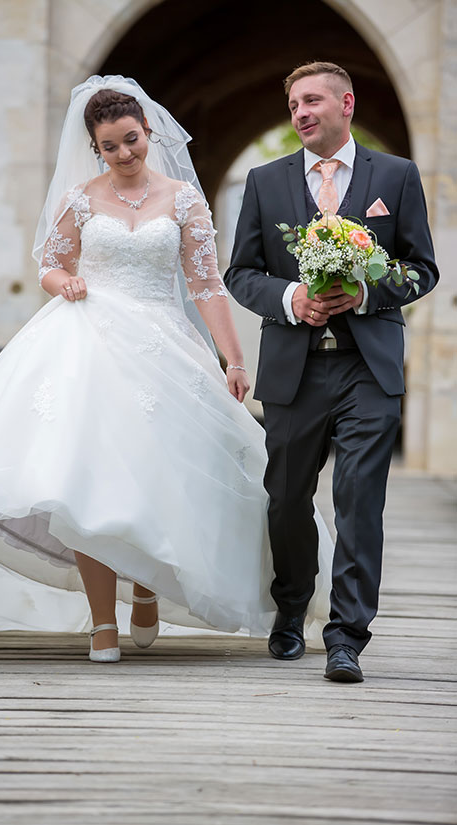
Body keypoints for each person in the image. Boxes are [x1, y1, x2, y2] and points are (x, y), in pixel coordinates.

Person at [0, 75, 335, 661]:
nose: (124, 153)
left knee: (158, 471)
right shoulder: (81, 199)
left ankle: (146, 585)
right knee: (87, 479)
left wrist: (233, 359)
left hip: (162, 346)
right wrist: (69, 282)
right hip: (90, 346)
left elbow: (206, 284)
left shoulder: (183, 200)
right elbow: (49, 267)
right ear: (96, 148)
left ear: (148, 132)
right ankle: (101, 622)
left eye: (131, 140)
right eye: (110, 146)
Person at [225, 61, 439, 683]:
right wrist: (293, 299)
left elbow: (422, 269)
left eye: (312, 100)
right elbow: (242, 273)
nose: (301, 112)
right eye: (294, 104)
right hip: (294, 370)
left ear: (347, 103)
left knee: (359, 501)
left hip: (368, 370)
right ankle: (291, 611)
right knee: (287, 500)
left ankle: (346, 636)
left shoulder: (394, 177)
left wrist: (369, 292)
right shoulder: (266, 183)